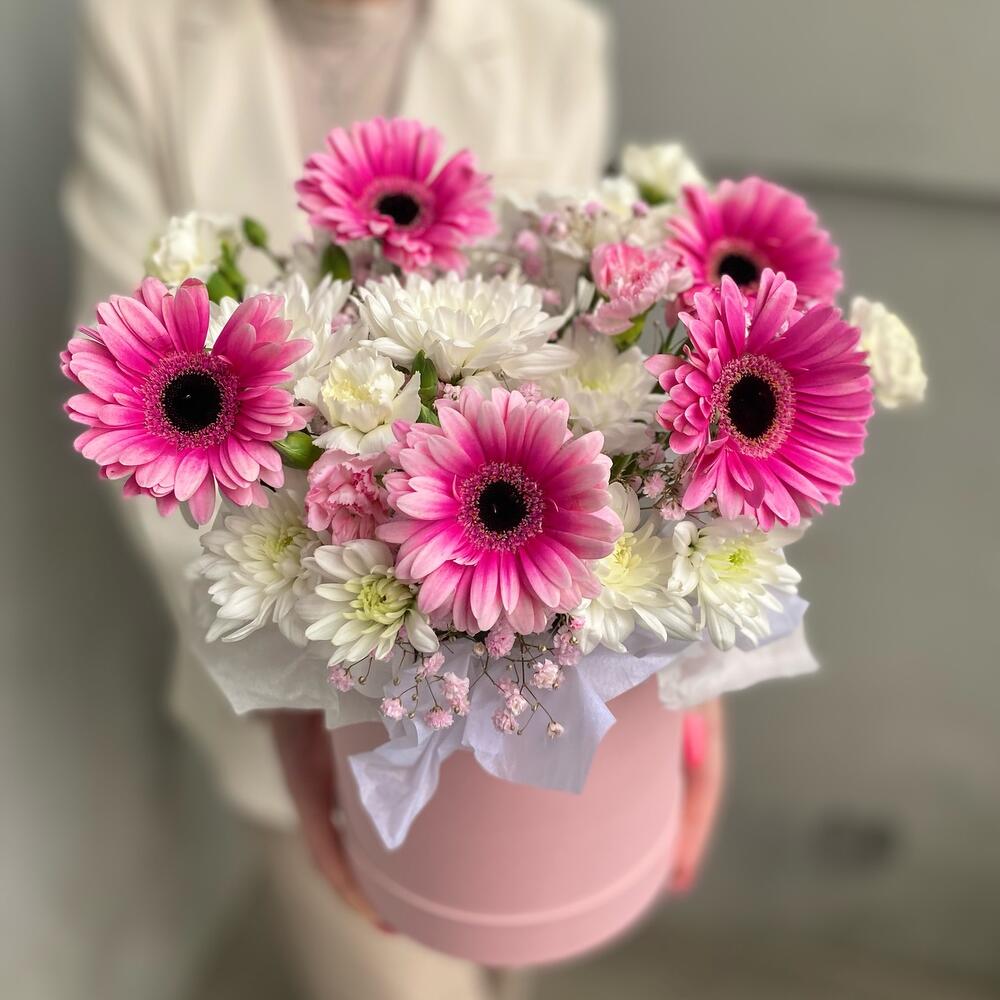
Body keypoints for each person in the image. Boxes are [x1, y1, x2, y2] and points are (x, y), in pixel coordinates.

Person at [64, 0, 726, 996]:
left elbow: (578, 350)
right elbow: (122, 398)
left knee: (519, 955)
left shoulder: (549, 30)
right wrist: (299, 686)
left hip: (543, 698)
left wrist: (689, 648)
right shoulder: (137, 29)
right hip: (293, 695)